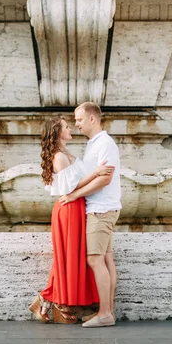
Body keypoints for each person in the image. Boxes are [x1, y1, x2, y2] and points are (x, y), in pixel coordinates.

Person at [29, 116, 115, 324]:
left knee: (72, 258)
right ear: (58, 132)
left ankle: (55, 302)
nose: (71, 129)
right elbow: (70, 188)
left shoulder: (65, 153)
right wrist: (97, 173)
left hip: (75, 207)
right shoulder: (59, 156)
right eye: (67, 127)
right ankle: (46, 298)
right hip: (69, 209)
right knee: (66, 258)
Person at [59, 102, 121, 328]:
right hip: (102, 208)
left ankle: (104, 313)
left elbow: (105, 179)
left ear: (92, 119)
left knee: (95, 259)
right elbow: (95, 174)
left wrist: (75, 195)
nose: (76, 124)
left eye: (79, 120)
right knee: (105, 258)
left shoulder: (105, 143)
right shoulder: (94, 144)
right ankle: (108, 312)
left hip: (101, 209)